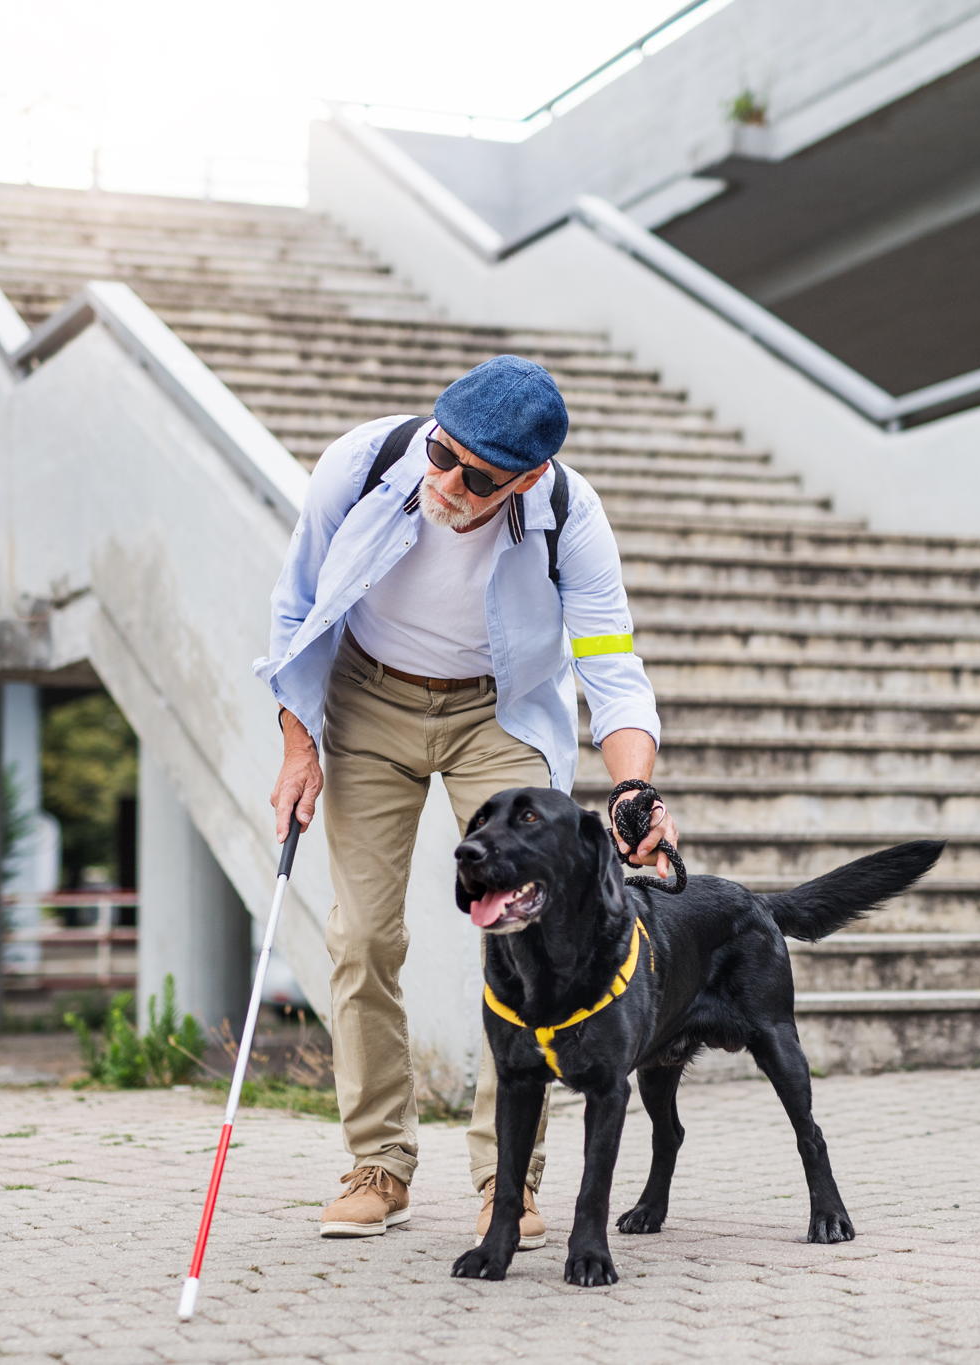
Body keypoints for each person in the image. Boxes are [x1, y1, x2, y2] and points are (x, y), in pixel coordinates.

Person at [254, 354, 677, 1245]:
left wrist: (635, 785)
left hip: (501, 710)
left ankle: (507, 1181)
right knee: (363, 933)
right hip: (368, 700)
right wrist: (299, 741)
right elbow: (295, 609)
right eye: (442, 453)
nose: (445, 480)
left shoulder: (570, 513)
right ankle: (378, 1164)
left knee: (529, 933)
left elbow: (611, 665)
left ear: (526, 477)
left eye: (475, 476)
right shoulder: (366, 462)